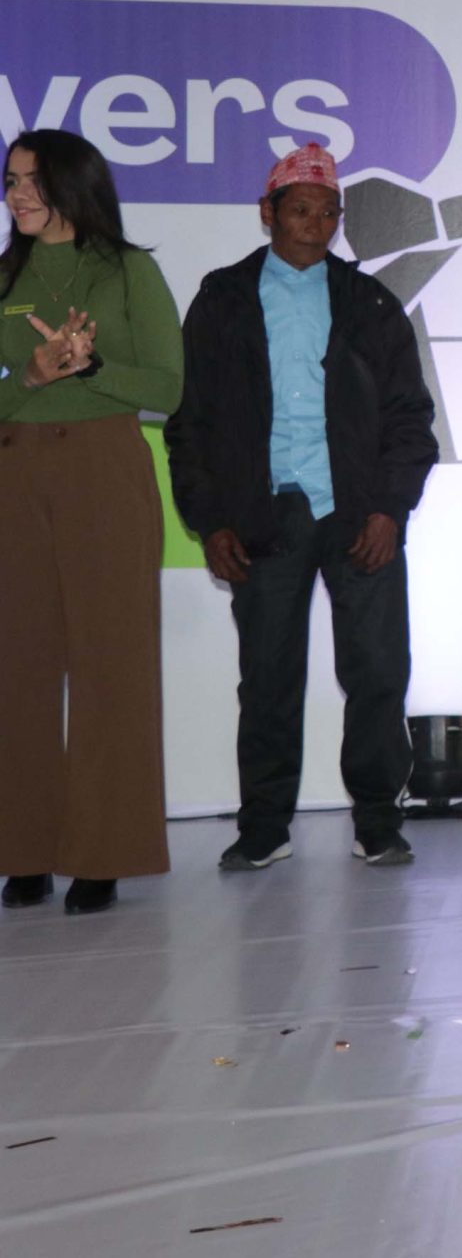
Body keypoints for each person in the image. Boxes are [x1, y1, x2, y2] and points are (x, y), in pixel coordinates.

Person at [164, 146, 439, 872]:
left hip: (358, 514)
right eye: (300, 210)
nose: (315, 224)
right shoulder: (223, 299)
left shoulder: (369, 302)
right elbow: (190, 425)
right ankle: (264, 826)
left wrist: (389, 510)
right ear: (268, 213)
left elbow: (411, 418)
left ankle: (378, 820)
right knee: (268, 678)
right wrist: (211, 520)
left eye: (328, 212)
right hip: (265, 517)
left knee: (378, 670)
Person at [0, 131, 185, 916]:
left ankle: (103, 853)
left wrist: (94, 367)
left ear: (73, 184)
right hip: (16, 474)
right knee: (18, 667)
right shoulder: (6, 275)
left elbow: (170, 388)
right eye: (10, 181)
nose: (16, 195)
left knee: (112, 664)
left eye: (30, 180)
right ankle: (25, 848)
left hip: (105, 472)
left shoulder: (128, 270)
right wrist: (31, 373)